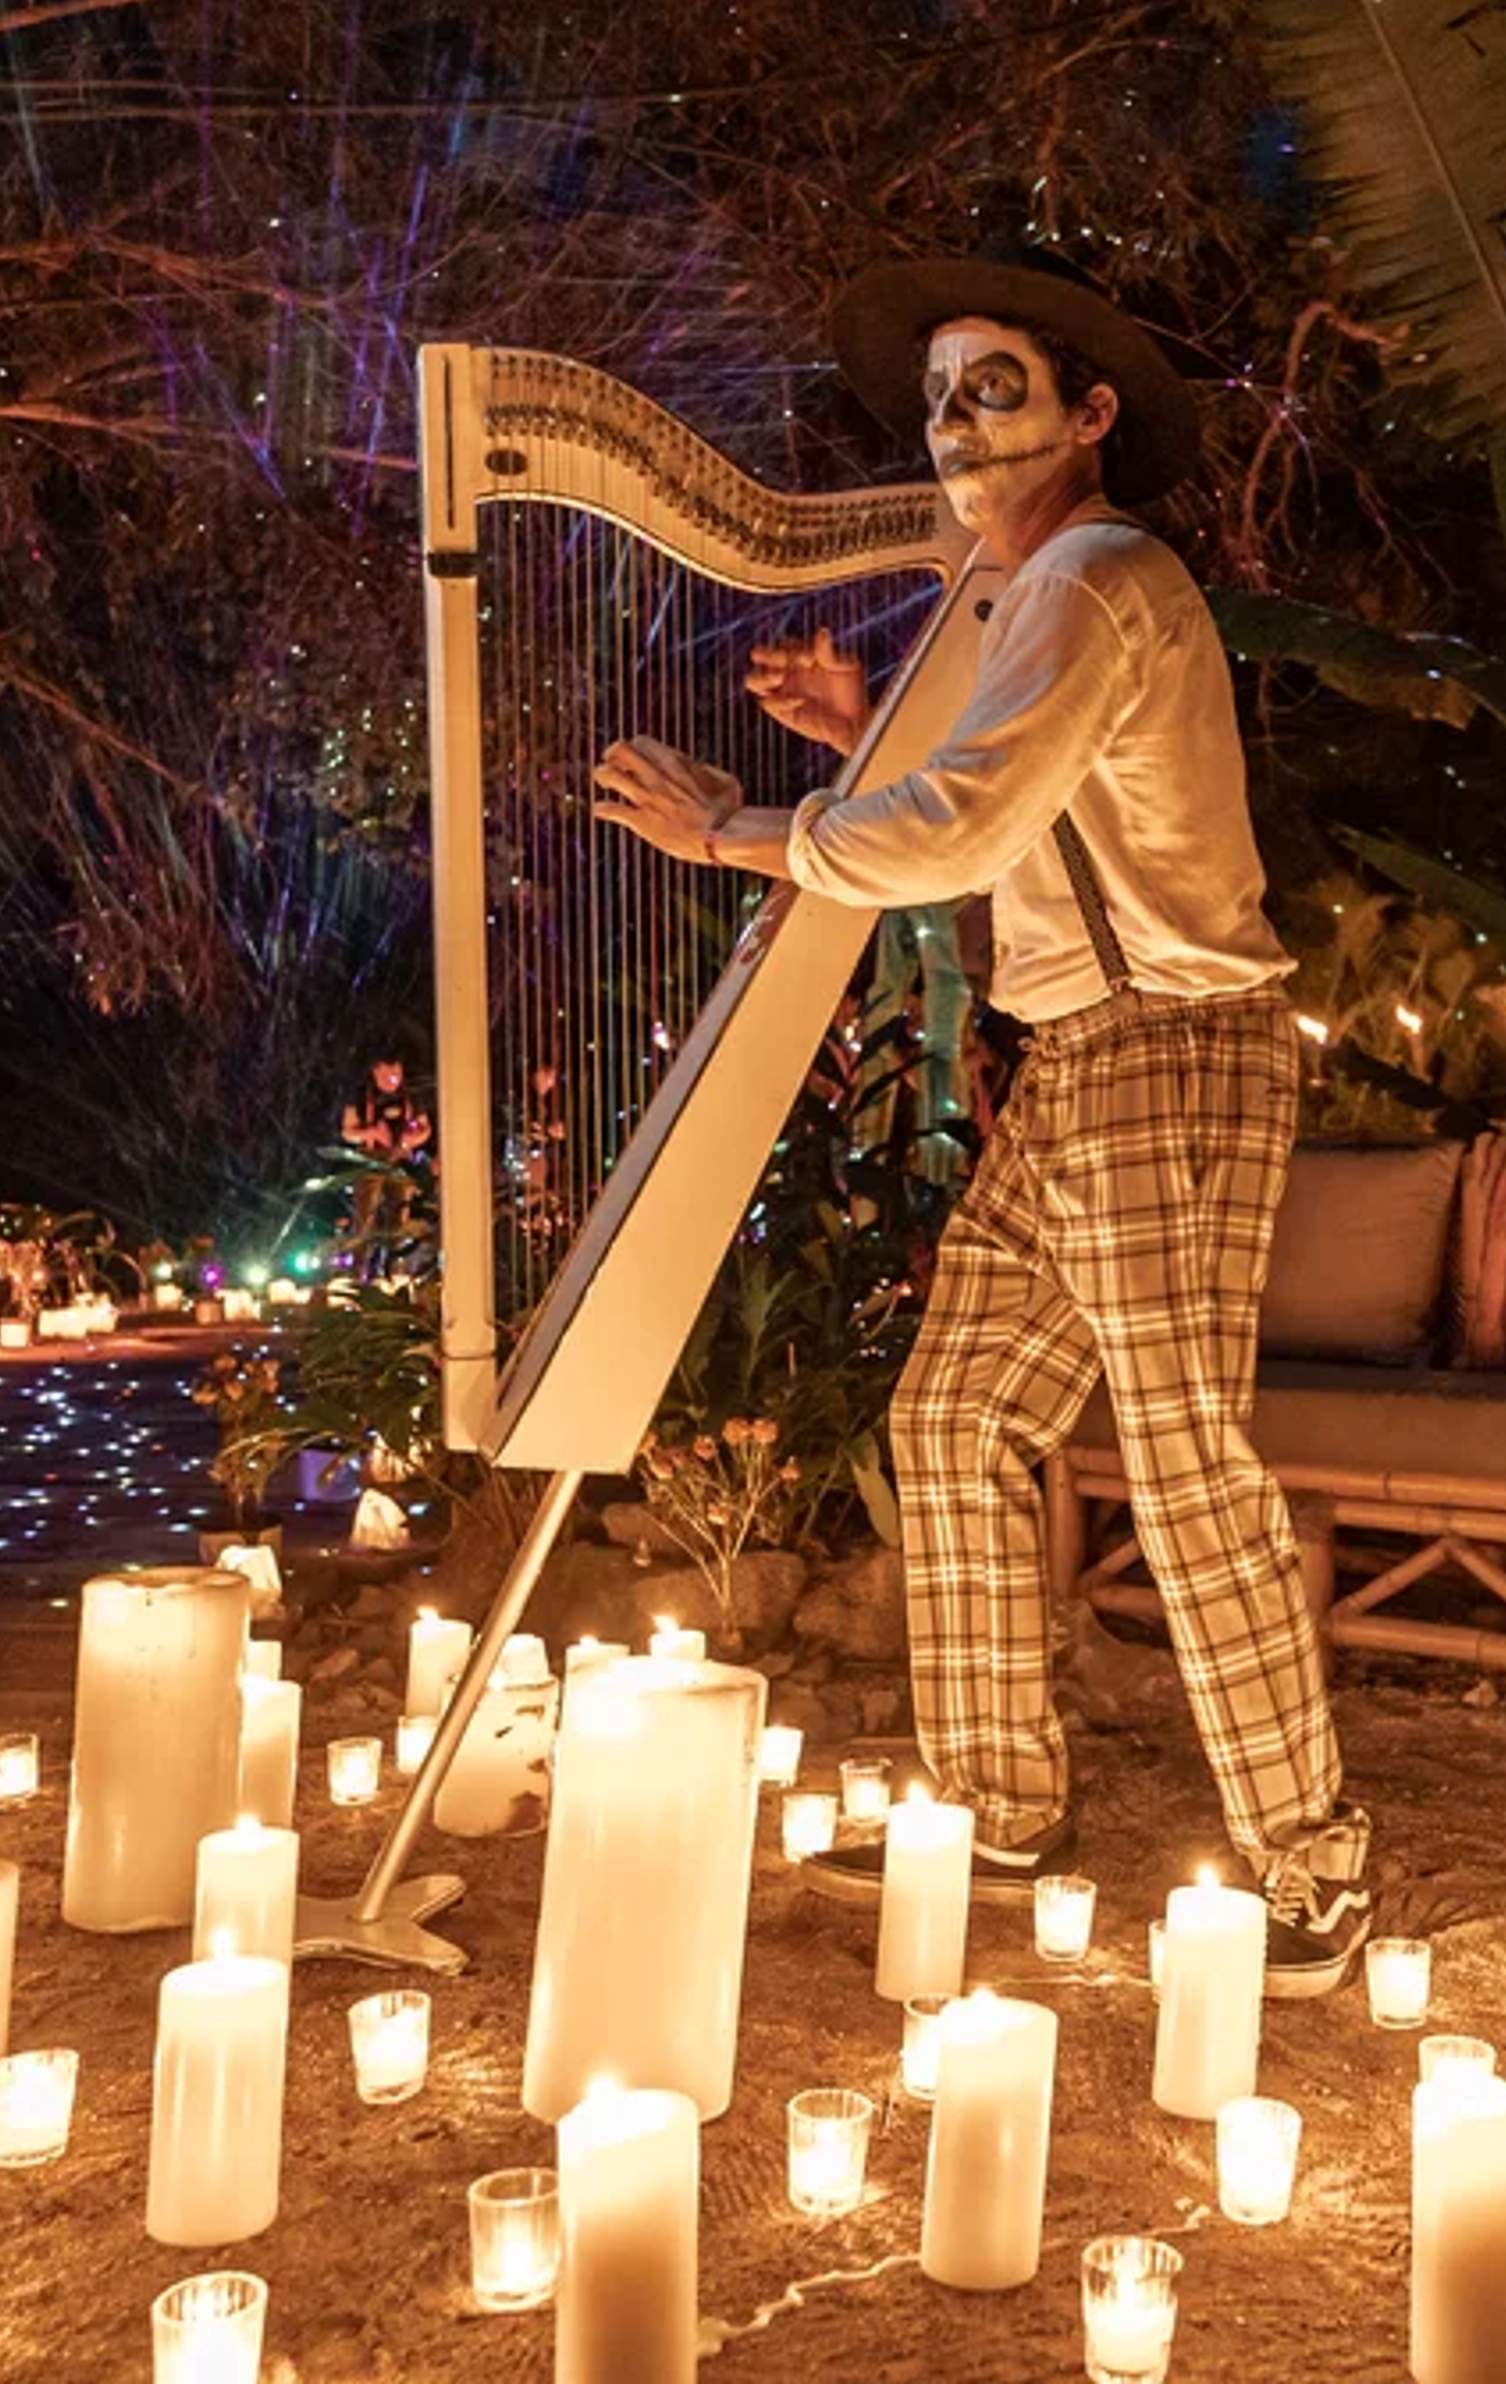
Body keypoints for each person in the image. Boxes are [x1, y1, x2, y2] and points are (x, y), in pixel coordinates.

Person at [587, 243, 1372, 1995]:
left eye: (991, 385)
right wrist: (871, 727)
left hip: (1169, 1048)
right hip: (1087, 1063)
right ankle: (1005, 1807)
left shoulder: (1095, 575)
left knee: (1181, 1466)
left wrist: (736, 826)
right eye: (938, 393)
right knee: (952, 1425)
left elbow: (948, 837)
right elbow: (1028, 813)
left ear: (1091, 414)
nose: (950, 420)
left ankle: (1313, 1872)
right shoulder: (1032, 605)